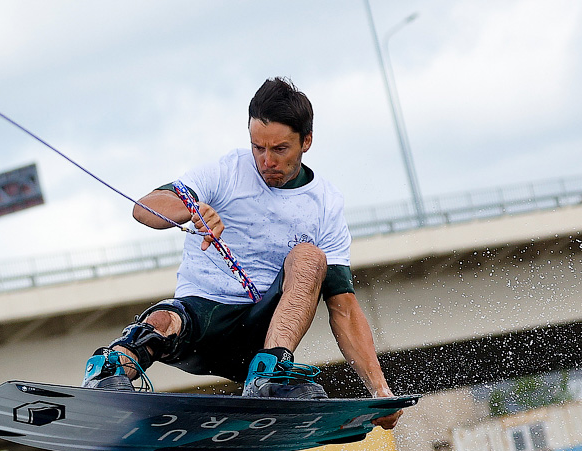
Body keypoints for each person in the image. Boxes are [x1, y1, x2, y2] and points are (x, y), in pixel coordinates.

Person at [82, 77, 401, 430]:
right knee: (161, 320)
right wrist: (191, 209)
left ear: (306, 141)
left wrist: (379, 389)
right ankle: (107, 376)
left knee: (310, 257)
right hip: (202, 319)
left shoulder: (325, 203)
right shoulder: (226, 171)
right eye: (257, 147)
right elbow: (144, 208)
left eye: (280, 149)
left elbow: (344, 308)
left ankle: (270, 376)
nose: (266, 161)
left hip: (261, 335)